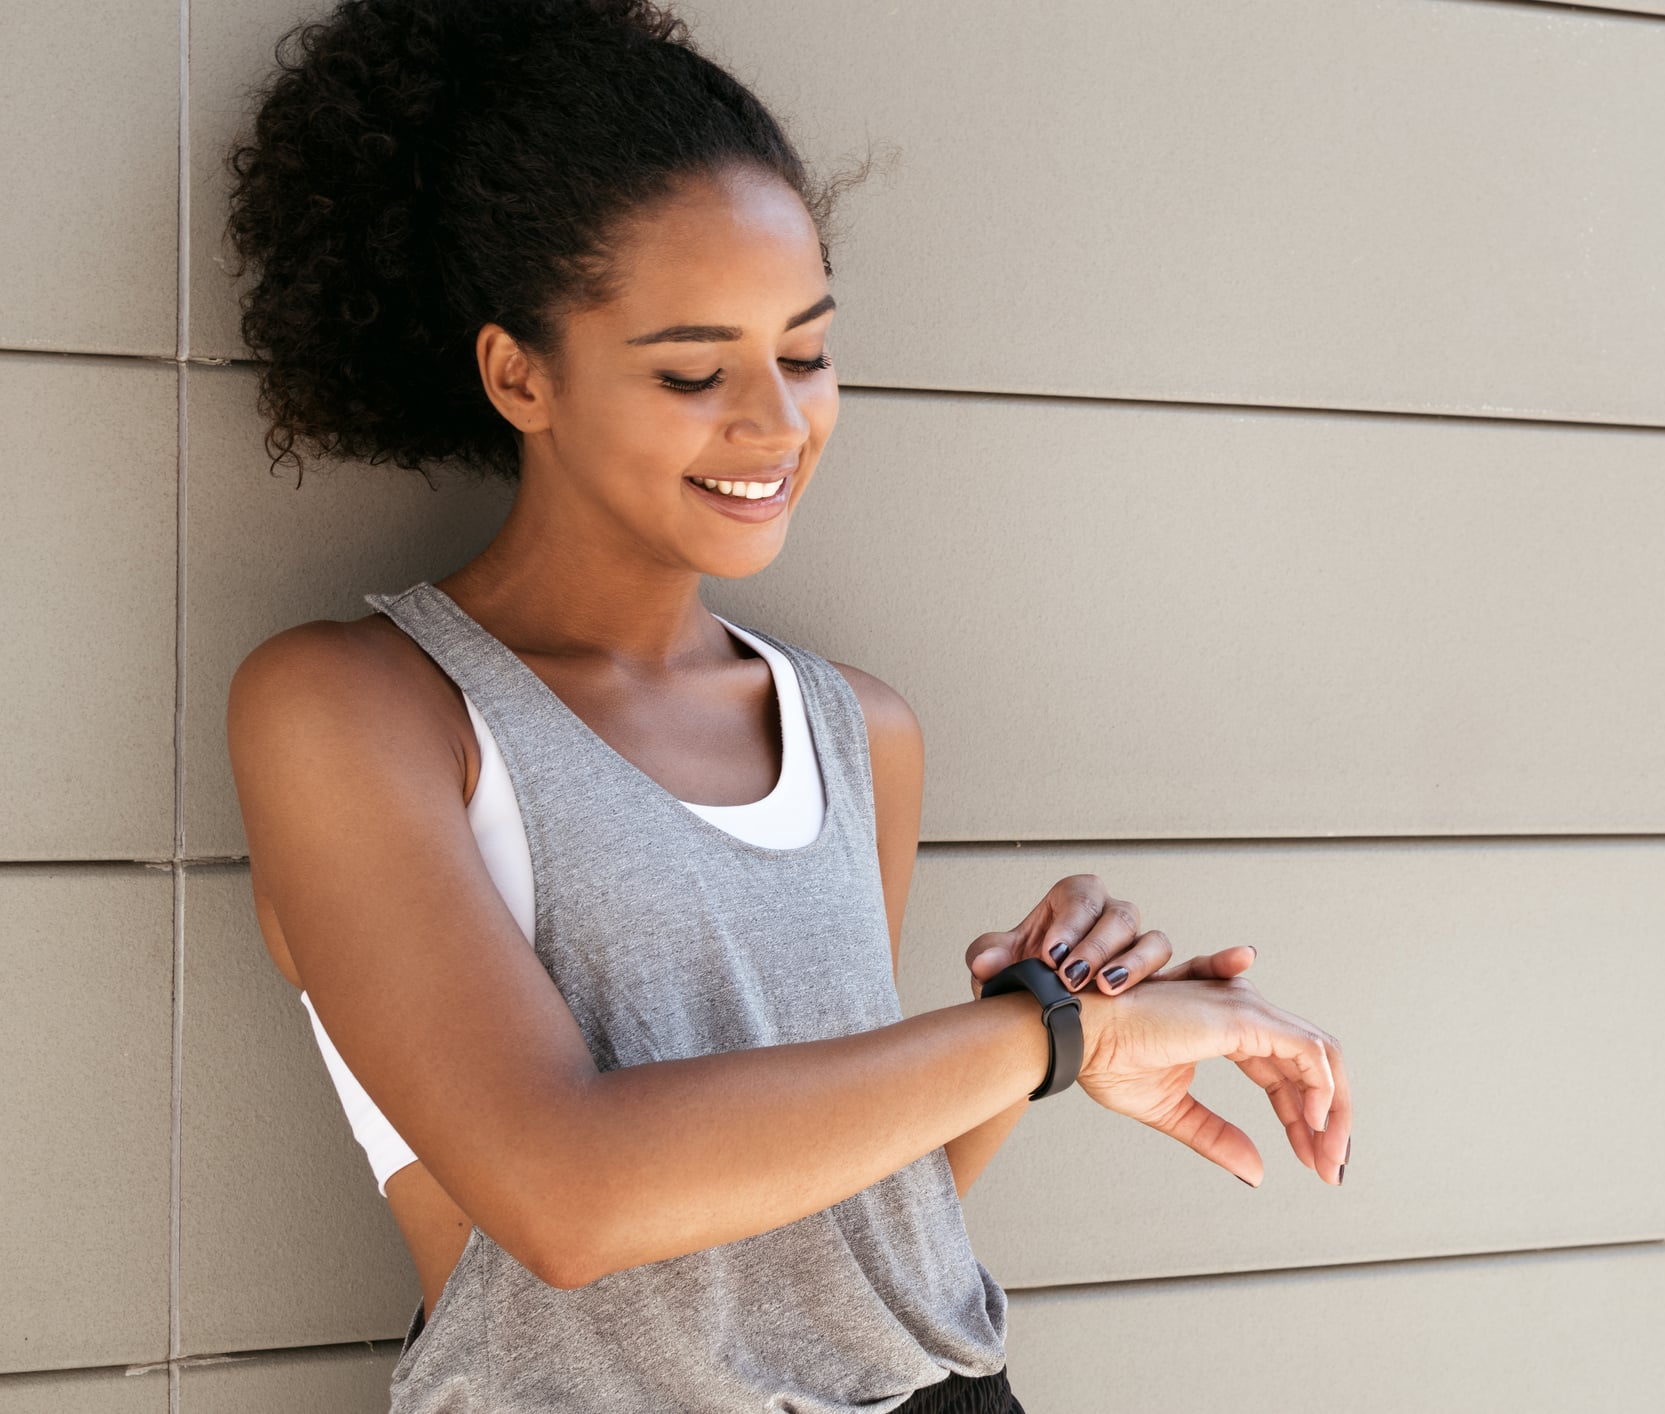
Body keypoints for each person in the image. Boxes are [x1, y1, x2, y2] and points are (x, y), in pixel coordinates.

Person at [221, 1, 1353, 1409]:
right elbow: (566, 1195)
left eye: (804, 352)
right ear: (521, 373)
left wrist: (1045, 1020)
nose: (774, 423)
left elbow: (843, 1215)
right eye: (695, 371)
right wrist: (1048, 1034)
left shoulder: (853, 730)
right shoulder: (358, 707)